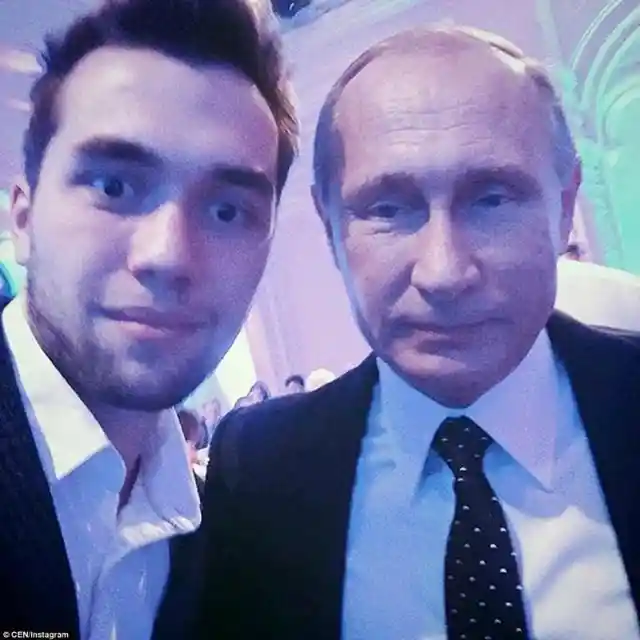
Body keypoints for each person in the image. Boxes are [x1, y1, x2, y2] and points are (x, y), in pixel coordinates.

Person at [197, 25, 640, 640]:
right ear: (331, 231)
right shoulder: (260, 469)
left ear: (563, 208)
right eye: (388, 208)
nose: (445, 272)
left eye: (491, 198)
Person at [0, 0, 297, 636]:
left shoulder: (223, 530)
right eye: (114, 186)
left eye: (226, 212)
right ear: (22, 218)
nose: (166, 256)